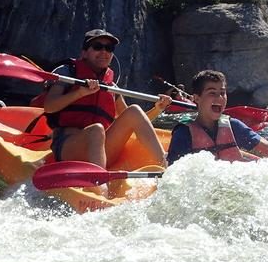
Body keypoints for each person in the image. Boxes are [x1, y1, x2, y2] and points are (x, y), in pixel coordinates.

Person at [43, 29, 172, 171]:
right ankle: (99, 185)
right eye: (97, 47)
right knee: (96, 130)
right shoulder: (67, 72)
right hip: (67, 147)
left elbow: (137, 122)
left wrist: (158, 108)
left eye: (109, 48)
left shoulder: (111, 86)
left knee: (134, 110)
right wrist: (80, 93)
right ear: (84, 52)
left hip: (101, 150)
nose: (104, 52)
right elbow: (49, 106)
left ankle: (166, 166)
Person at [167, 70, 268, 169]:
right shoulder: (183, 134)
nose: (220, 98)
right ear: (197, 98)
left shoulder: (233, 126)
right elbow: (173, 173)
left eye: (222, 93)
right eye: (212, 93)